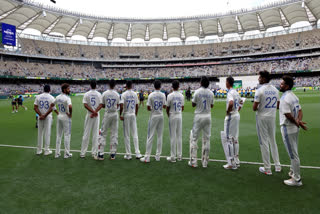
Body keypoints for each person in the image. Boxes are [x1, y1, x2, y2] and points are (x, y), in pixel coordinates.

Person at [279, 75, 307, 186]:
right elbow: (300, 111)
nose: (280, 85)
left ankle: (296, 179)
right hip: (294, 128)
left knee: (293, 154)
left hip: (288, 128)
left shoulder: (285, 98)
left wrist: (296, 122)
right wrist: (298, 121)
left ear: (287, 86)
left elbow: (287, 114)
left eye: (282, 84)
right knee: (294, 151)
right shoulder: (294, 96)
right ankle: (292, 172)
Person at [253, 71, 281, 175]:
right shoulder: (275, 90)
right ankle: (277, 166)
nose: (258, 79)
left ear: (264, 79)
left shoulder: (260, 90)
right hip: (272, 116)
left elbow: (254, 108)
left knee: (263, 142)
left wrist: (261, 106)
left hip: (262, 117)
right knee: (273, 140)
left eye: (260, 77)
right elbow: (278, 106)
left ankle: (267, 168)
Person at [189, 76, 214, 168]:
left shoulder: (197, 91)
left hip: (199, 116)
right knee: (207, 139)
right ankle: (205, 162)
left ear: (201, 83)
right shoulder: (211, 93)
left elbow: (193, 104)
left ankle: (194, 162)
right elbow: (211, 105)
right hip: (207, 115)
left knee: (194, 138)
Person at [140, 80, 166, 163]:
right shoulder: (163, 95)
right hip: (161, 115)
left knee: (150, 136)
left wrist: (153, 109)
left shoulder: (151, 95)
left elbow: (148, 108)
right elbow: (164, 106)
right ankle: (158, 156)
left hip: (153, 116)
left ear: (154, 86)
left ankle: (147, 157)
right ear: (160, 86)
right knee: (159, 136)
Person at [221, 76, 243, 170]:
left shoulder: (230, 92)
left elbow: (230, 103)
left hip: (231, 116)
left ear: (228, 83)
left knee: (229, 138)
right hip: (236, 115)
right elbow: (241, 101)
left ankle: (231, 163)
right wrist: (237, 110)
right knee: (235, 138)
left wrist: (228, 112)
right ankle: (236, 160)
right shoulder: (236, 92)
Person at [96, 79, 120, 160]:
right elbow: (118, 105)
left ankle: (101, 154)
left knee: (103, 133)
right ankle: (113, 154)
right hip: (115, 114)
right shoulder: (117, 94)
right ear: (115, 85)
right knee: (114, 133)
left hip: (108, 113)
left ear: (108, 84)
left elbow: (102, 105)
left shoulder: (105, 93)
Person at [119, 81, 142, 160]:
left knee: (127, 135)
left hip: (126, 114)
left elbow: (121, 106)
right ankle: (137, 153)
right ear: (131, 86)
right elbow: (137, 105)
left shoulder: (123, 94)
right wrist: (135, 114)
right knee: (135, 134)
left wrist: (120, 115)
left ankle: (128, 154)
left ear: (126, 86)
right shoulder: (135, 94)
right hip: (132, 114)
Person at [80, 80, 102, 159]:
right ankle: (94, 153)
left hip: (89, 115)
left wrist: (92, 112)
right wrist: (95, 111)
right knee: (95, 134)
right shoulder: (99, 94)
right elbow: (101, 104)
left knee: (86, 133)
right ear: (96, 86)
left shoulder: (87, 94)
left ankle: (83, 153)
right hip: (96, 115)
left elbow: (85, 105)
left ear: (90, 85)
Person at [50, 83, 73, 159]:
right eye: (68, 89)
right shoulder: (67, 98)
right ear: (64, 89)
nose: (69, 90)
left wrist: (57, 112)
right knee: (67, 135)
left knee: (58, 135)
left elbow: (52, 105)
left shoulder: (57, 97)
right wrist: (70, 114)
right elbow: (70, 106)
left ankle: (57, 153)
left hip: (59, 116)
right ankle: (66, 154)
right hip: (66, 117)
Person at [33, 85, 55, 155]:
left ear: (43, 89)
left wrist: (40, 115)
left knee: (40, 133)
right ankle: (46, 150)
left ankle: (39, 150)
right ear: (49, 90)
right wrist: (45, 115)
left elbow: (35, 107)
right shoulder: (51, 97)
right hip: (47, 117)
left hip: (40, 117)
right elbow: (51, 108)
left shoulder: (38, 96)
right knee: (47, 133)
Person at [166, 80, 184, 162]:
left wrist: (169, 115)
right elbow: (182, 108)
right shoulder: (181, 95)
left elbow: (167, 108)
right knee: (179, 136)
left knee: (173, 136)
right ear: (178, 86)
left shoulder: (170, 95)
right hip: (179, 115)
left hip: (172, 115)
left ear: (172, 87)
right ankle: (179, 156)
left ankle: (173, 157)